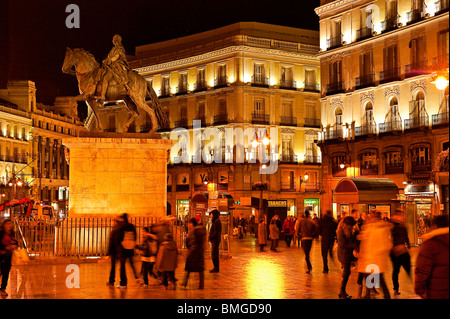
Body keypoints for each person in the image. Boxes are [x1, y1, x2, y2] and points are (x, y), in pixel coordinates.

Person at [356, 211, 392, 299]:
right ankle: (369, 295)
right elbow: (361, 237)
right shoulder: (371, 227)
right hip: (371, 257)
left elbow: (387, 244)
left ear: (375, 218)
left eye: (371, 217)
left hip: (376, 257)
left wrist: (377, 251)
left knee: (379, 278)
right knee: (372, 276)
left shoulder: (380, 229)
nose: (369, 219)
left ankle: (386, 295)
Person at [414, 214, 449, 299]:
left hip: (437, 292)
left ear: (435, 226)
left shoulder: (430, 244)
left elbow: (422, 269)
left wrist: (419, 289)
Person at [98, 34, 130, 103]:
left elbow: (117, 56)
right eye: (113, 40)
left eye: (115, 40)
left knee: (105, 78)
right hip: (111, 65)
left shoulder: (120, 48)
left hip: (117, 66)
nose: (113, 41)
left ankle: (102, 96)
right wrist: (106, 60)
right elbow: (109, 57)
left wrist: (110, 60)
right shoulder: (113, 49)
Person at [390, 212, 411, 296]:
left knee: (407, 268)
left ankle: (416, 286)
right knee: (396, 270)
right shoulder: (392, 227)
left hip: (402, 249)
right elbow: (390, 238)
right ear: (395, 216)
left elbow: (406, 237)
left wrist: (408, 246)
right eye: (400, 216)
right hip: (395, 250)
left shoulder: (403, 226)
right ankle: (396, 288)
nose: (402, 217)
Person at [181, 218, 206, 289]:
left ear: (192, 224)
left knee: (189, 268)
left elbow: (191, 241)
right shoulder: (199, 230)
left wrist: (189, 245)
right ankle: (201, 284)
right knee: (200, 269)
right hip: (198, 251)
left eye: (189, 223)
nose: (188, 225)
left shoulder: (195, 231)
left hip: (194, 251)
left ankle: (185, 283)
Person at [337, 216, 358, 299]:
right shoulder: (340, 231)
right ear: (346, 225)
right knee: (346, 272)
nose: (352, 226)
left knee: (347, 272)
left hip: (348, 254)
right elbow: (342, 244)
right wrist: (355, 245)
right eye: (351, 225)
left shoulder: (351, 230)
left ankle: (342, 291)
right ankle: (341, 291)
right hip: (343, 254)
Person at [117, 213, 138, 288]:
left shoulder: (122, 227)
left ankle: (123, 283)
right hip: (131, 248)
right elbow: (135, 236)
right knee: (132, 264)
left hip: (123, 248)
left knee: (122, 266)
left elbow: (119, 237)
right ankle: (138, 278)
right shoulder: (132, 226)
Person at [106, 215, 125, 287]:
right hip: (121, 250)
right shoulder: (122, 229)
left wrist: (108, 252)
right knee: (122, 267)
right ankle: (122, 282)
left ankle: (111, 281)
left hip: (115, 251)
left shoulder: (115, 229)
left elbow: (111, 241)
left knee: (113, 267)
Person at [0, 219, 17, 296]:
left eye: (10, 224)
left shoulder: (12, 233)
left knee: (6, 273)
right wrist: (5, 247)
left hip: (8, 256)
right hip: (1, 255)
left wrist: (14, 245)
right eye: (7, 224)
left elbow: (14, 242)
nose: (9, 226)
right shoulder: (1, 233)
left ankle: (3, 289)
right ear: (4, 225)